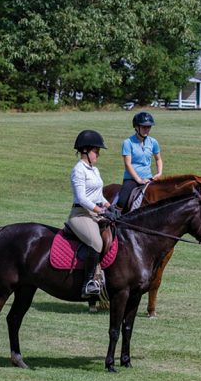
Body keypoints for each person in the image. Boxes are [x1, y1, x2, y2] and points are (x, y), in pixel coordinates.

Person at [69, 130, 111, 297]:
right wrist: (100, 210)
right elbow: (82, 198)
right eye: (96, 151)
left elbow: (99, 195)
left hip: (95, 213)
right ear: (85, 151)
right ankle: (88, 283)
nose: (98, 154)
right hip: (80, 214)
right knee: (96, 242)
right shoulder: (78, 170)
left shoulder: (95, 170)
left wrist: (109, 206)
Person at [116, 111, 163, 211]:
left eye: (149, 127)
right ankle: (115, 215)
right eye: (144, 127)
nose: (147, 129)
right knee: (121, 201)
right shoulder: (128, 142)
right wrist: (139, 180)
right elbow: (128, 164)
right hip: (131, 179)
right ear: (136, 127)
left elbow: (158, 159)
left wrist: (159, 173)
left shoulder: (153, 142)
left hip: (148, 178)